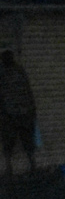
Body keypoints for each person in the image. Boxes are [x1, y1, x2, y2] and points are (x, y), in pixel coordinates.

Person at [0, 50, 38, 179]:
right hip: (15, 114)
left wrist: (32, 109)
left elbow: (27, 90)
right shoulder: (14, 71)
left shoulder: (14, 72)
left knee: (22, 140)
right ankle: (17, 166)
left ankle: (29, 165)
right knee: (13, 140)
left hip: (19, 113)